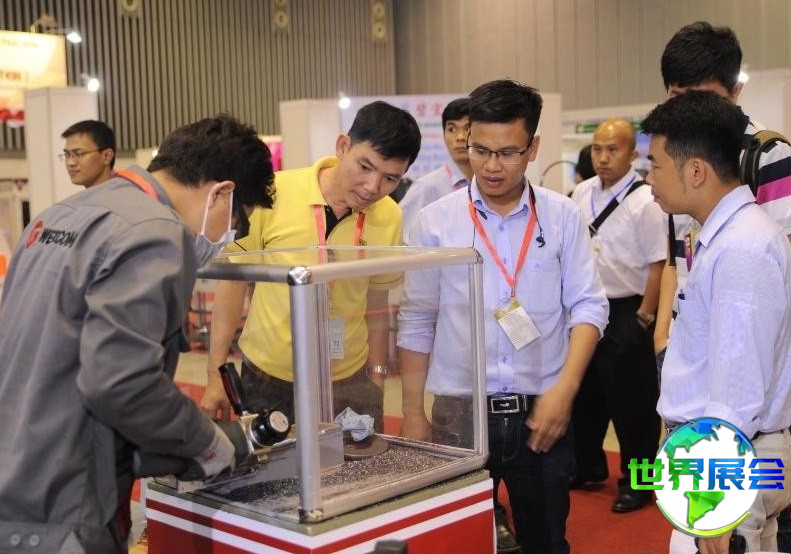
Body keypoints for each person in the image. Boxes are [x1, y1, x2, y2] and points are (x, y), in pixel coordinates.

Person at [0, 114, 275, 552]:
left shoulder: (57, 215)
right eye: (237, 224)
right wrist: (210, 443)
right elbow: (122, 383)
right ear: (222, 193)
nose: (229, 237)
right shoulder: (156, 232)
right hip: (65, 502)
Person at [397, 79, 608, 554]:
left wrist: (565, 390)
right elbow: (417, 319)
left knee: (546, 538)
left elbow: (589, 306)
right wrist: (412, 412)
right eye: (481, 150)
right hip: (459, 412)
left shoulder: (562, 217)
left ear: (532, 148)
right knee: (460, 543)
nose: (492, 166)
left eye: (508, 153)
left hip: (543, 408)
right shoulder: (436, 221)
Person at [200, 101, 421, 433]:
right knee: (274, 466)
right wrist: (215, 374)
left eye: (390, 178)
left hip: (349, 378)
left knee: (352, 466)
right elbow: (233, 283)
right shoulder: (274, 192)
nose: (373, 187)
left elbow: (376, 305)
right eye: (365, 167)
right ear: (343, 146)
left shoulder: (389, 216)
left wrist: (376, 379)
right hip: (269, 376)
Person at [643, 89, 791, 554]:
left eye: (655, 165)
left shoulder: (742, 247)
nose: (649, 179)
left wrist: (714, 500)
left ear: (695, 171)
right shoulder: (728, 237)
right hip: (726, 450)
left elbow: (739, 380)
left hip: (729, 459)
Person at [654, 21, 791, 359]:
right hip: (684, 343)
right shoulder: (672, 152)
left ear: (736, 92)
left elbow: (782, 265)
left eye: (704, 99)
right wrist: (662, 335)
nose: (689, 113)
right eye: (677, 98)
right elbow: (674, 256)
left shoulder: (768, 155)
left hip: (742, 345)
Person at [569, 119, 665, 513]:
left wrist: (644, 317)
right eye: (597, 149)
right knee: (585, 397)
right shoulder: (581, 192)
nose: (603, 157)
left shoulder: (647, 201)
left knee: (634, 407)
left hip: (629, 310)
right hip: (587, 306)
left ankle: (638, 483)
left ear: (633, 153)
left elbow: (659, 264)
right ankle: (587, 465)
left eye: (613, 149)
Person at [398, 97, 473, 239]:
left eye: (468, 128)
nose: (460, 137)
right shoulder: (426, 187)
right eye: (452, 129)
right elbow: (404, 239)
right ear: (444, 135)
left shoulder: (490, 183)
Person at [60, 119, 117, 188]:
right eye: (67, 155)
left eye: (78, 154)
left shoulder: (122, 193)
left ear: (106, 156)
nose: (70, 163)